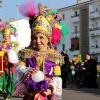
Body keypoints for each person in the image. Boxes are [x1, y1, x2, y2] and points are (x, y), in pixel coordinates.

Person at [14, 0, 69, 100]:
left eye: (41, 37)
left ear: (48, 39)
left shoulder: (54, 56)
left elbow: (57, 77)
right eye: (35, 38)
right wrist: (29, 71)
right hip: (31, 94)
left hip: (46, 94)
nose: (38, 41)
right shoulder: (27, 53)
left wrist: (51, 89)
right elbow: (18, 70)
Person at [0, 22, 19, 100]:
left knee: (9, 80)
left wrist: (7, 51)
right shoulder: (0, 44)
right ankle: (3, 94)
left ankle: (8, 95)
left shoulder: (13, 44)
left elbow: (13, 53)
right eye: (4, 36)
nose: (6, 37)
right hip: (1, 66)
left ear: (10, 36)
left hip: (9, 66)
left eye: (7, 36)